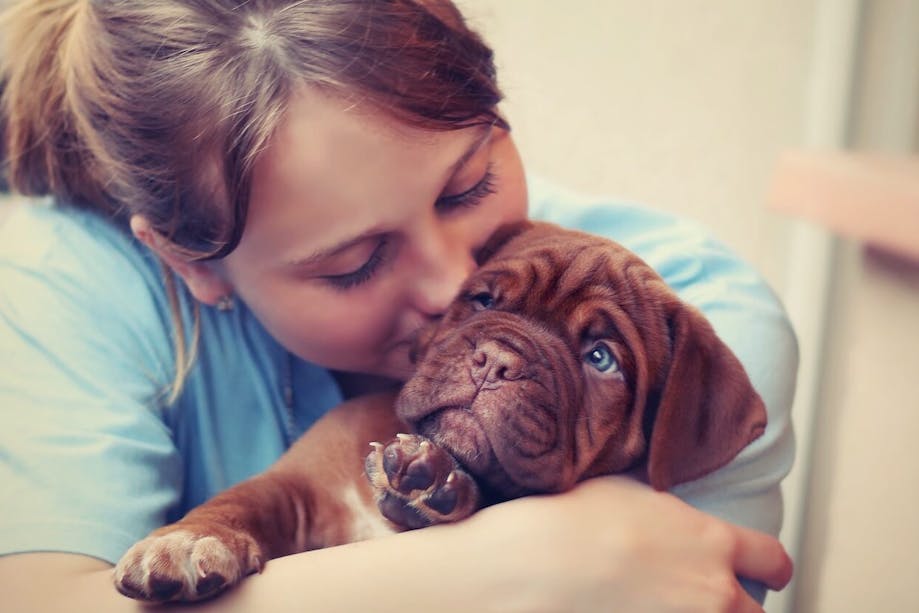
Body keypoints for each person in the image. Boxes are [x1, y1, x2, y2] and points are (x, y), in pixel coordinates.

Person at [0, 1, 796, 611]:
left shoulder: (700, 313)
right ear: (190, 263)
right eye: (355, 263)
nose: (456, 284)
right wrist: (514, 566)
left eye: (469, 184)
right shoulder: (60, 277)